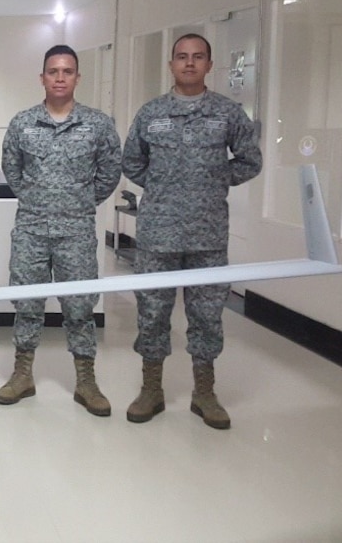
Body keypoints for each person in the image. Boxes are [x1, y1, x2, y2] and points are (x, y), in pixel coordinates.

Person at [122, 33, 262, 429]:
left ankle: (205, 392)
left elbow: (250, 160)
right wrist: (166, 185)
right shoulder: (151, 113)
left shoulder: (227, 113)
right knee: (152, 312)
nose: (189, 63)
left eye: (197, 57)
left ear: (208, 65)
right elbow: (132, 162)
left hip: (207, 235)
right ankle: (152, 389)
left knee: (206, 314)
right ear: (171, 65)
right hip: (158, 233)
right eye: (181, 57)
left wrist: (215, 180)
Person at [0, 45, 121, 414]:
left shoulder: (97, 124)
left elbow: (110, 173)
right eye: (53, 71)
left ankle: (86, 380)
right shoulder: (22, 123)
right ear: (42, 77)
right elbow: (12, 171)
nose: (60, 78)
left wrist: (77, 202)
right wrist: (39, 199)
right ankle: (22, 375)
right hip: (32, 228)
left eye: (67, 71)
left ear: (77, 77)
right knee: (27, 302)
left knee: (80, 305)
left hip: (76, 230)